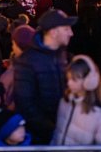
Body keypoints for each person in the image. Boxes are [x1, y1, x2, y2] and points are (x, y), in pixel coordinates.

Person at [14, 9, 77, 144]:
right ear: (53, 32)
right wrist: (51, 128)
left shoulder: (63, 55)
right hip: (41, 137)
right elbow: (25, 104)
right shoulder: (27, 61)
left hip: (63, 129)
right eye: (66, 29)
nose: (71, 33)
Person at [52, 55, 101, 145]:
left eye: (74, 79)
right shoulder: (63, 102)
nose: (69, 83)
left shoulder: (97, 115)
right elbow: (56, 133)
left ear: (89, 82)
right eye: (68, 78)